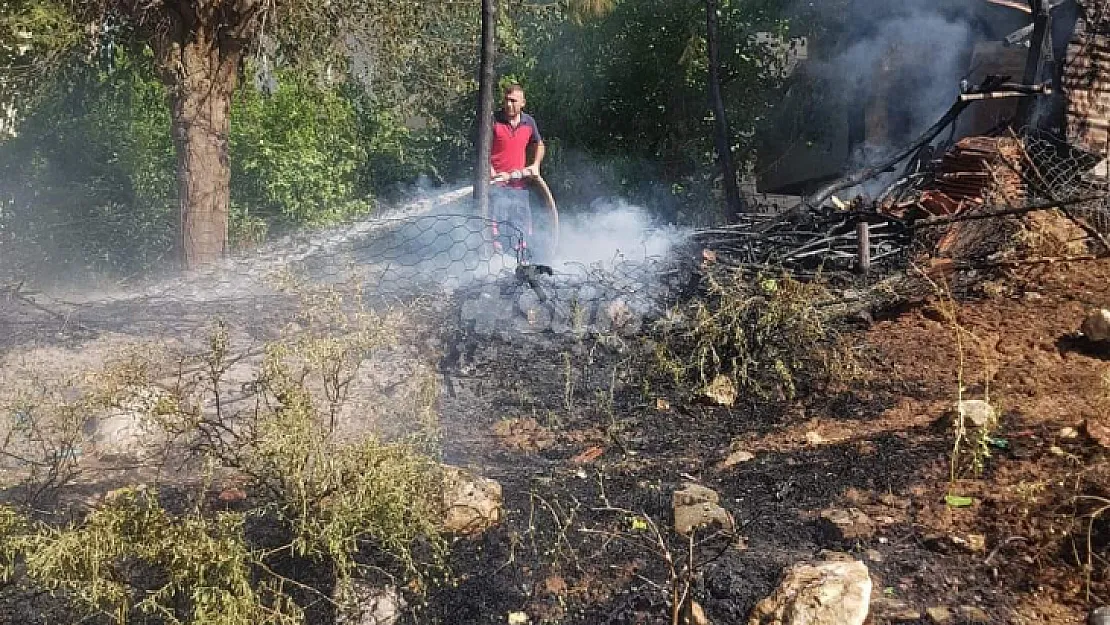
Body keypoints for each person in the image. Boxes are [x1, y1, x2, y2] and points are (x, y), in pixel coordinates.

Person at [489, 83, 545, 255]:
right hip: (495, 187)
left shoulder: (529, 123)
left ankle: (520, 263)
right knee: (495, 232)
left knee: (520, 231)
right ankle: (494, 265)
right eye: (506, 100)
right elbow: (481, 150)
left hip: (519, 187)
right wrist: (491, 172)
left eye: (513, 101)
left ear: (523, 103)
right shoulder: (493, 120)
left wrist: (535, 165)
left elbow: (539, 144)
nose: (508, 105)